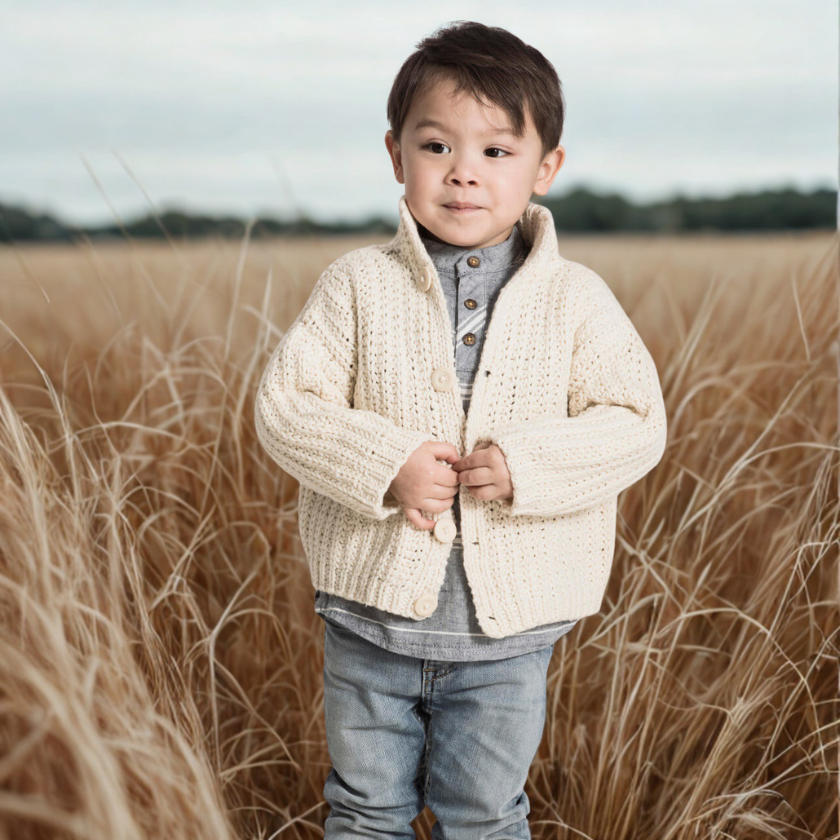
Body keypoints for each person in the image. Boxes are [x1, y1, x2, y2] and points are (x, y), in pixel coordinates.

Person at [254, 19, 667, 839]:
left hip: (509, 636)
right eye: (437, 146)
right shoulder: (358, 286)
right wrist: (386, 462)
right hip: (369, 619)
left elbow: (637, 423)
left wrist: (527, 466)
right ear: (395, 154)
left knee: (484, 814)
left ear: (545, 166)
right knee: (365, 808)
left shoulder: (575, 299)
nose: (463, 175)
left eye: (496, 152)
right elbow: (285, 405)